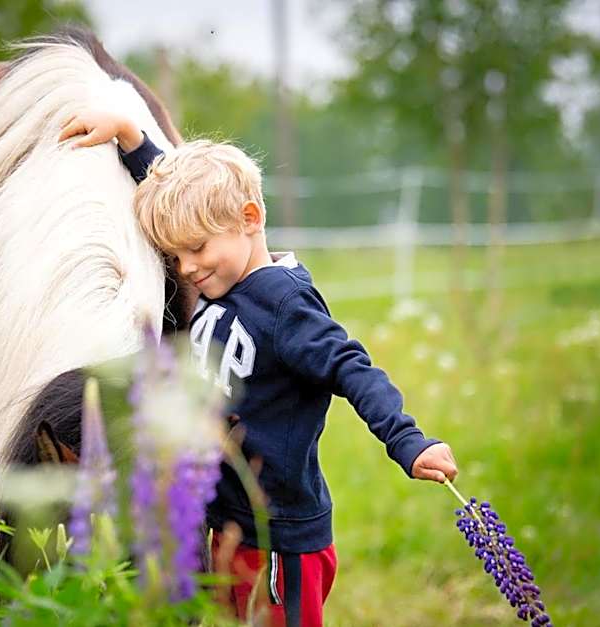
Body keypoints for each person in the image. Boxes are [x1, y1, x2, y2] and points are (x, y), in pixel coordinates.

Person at [59, 111, 459, 627]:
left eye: (196, 249)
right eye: (175, 256)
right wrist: (131, 137)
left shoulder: (286, 306)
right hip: (229, 521)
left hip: (278, 540)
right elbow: (175, 195)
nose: (187, 268)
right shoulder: (224, 280)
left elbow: (352, 368)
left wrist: (408, 441)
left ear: (249, 218)